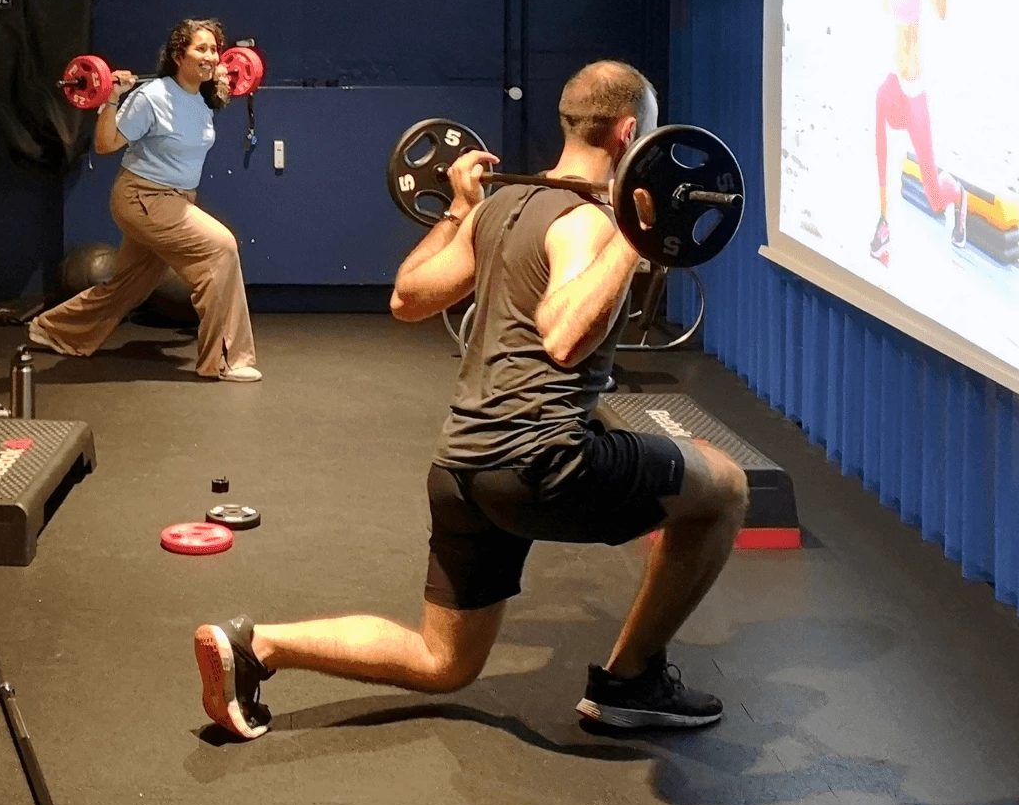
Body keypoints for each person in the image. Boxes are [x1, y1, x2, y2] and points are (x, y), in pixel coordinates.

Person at [192, 62, 750, 739]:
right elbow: (565, 335)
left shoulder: (501, 205)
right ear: (632, 133)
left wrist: (459, 207)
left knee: (444, 659)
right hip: (543, 463)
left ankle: (256, 645)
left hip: (461, 469)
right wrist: (635, 240)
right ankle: (631, 679)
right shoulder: (593, 222)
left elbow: (409, 296)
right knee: (723, 487)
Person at [27, 17, 259, 382]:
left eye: (214, 49)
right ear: (178, 55)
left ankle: (56, 329)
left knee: (132, 282)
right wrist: (111, 99)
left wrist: (227, 78)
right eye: (202, 48)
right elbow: (106, 145)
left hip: (175, 199)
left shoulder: (200, 97)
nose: (212, 56)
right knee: (221, 248)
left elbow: (225, 85)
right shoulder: (152, 96)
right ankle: (226, 358)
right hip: (144, 198)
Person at [870, 0, 967, 265]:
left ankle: (956, 194)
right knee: (878, 104)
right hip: (897, 83)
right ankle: (883, 220)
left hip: (915, 95)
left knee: (934, 195)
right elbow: (884, 4)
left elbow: (941, 10)